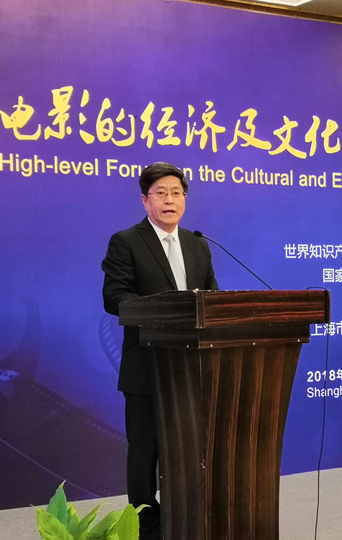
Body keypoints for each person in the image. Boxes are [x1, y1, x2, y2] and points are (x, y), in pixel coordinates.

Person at [101, 162, 218, 540]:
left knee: (186, 451)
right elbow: (115, 298)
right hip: (147, 366)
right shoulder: (126, 242)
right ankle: (147, 527)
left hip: (191, 368)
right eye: (161, 193)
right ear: (145, 200)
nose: (170, 200)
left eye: (176, 193)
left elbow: (213, 300)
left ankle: (185, 518)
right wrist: (164, 311)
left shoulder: (198, 245)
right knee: (144, 453)